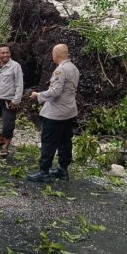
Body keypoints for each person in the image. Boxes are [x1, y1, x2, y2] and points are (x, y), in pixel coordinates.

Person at [27, 44, 80, 182]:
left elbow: (55, 92)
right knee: (65, 141)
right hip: (69, 111)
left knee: (48, 141)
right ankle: (63, 170)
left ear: (56, 54)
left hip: (56, 113)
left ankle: (44, 171)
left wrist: (38, 95)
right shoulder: (74, 68)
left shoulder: (60, 70)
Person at [0, 43, 24, 156]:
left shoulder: (15, 66)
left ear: (10, 53)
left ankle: (5, 147)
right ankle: (1, 139)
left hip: (9, 101)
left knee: (8, 126)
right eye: (3, 53)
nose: (5, 54)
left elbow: (19, 85)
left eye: (7, 52)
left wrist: (16, 100)